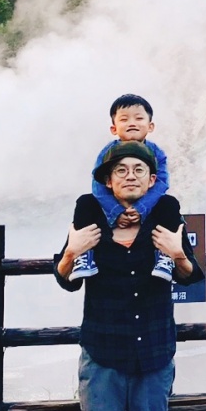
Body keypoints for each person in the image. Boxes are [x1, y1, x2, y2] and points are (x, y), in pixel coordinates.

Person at [55, 140, 203, 411]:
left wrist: (178, 253)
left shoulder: (165, 220)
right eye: (121, 170)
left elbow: (191, 275)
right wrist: (71, 251)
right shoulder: (90, 220)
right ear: (108, 180)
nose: (131, 175)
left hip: (154, 352)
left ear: (152, 179)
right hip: (102, 352)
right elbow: (65, 279)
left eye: (139, 169)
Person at [68, 94, 173, 282]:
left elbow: (161, 183)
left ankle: (165, 257)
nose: (132, 123)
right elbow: (98, 185)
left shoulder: (157, 154)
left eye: (139, 118)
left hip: (148, 206)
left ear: (150, 126)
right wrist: (116, 212)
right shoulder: (107, 153)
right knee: (86, 203)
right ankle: (84, 257)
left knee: (168, 204)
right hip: (112, 207)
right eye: (124, 119)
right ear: (114, 128)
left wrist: (141, 208)